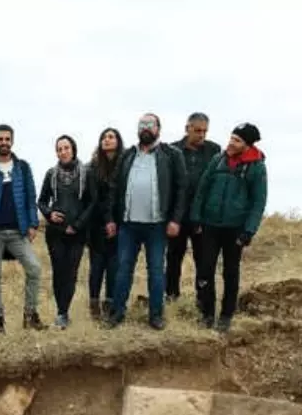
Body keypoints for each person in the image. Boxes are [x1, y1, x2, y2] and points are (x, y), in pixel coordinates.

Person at [107, 113, 189, 330]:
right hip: (128, 224)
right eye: (142, 125)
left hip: (157, 225)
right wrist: (110, 219)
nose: (146, 128)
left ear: (158, 129)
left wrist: (176, 220)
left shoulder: (171, 155)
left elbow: (182, 189)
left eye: (150, 125)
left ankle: (156, 315)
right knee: (123, 268)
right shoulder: (127, 155)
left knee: (155, 269)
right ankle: (117, 313)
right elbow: (114, 188)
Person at [190, 122, 268, 333]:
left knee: (230, 272)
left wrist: (249, 231)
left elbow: (258, 202)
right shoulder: (218, 160)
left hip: (235, 228)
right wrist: (196, 218)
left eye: (237, 140)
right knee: (205, 270)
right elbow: (202, 190)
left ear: (247, 144)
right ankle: (207, 314)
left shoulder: (256, 167)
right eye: (232, 138)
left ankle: (226, 316)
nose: (231, 143)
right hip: (210, 225)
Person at [0, 124, 43, 333]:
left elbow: (31, 198)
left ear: (12, 141)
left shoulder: (23, 168)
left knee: (34, 268)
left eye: (7, 139)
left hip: (18, 231)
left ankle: (30, 315)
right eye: (0, 139)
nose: (4, 142)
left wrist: (33, 224)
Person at [36, 134, 94, 328]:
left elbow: (92, 202)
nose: (63, 152)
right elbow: (42, 201)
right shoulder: (51, 174)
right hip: (55, 233)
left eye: (66, 148)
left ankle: (64, 311)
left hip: (78, 232)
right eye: (59, 149)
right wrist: (49, 214)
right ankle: (62, 313)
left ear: (73, 149)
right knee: (59, 272)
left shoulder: (86, 173)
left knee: (71, 272)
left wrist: (77, 225)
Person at [168, 113, 221, 301]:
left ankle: (203, 300)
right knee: (174, 258)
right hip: (177, 216)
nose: (201, 135)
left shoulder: (214, 150)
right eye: (198, 130)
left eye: (205, 131)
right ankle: (171, 297)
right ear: (187, 128)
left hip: (202, 217)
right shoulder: (172, 150)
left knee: (203, 260)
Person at [86, 127, 123, 320]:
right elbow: (94, 198)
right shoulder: (92, 167)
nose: (107, 140)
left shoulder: (124, 165)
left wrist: (115, 221)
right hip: (96, 224)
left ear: (118, 141)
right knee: (97, 266)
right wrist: (106, 221)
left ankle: (109, 304)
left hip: (120, 223)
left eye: (111, 137)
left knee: (114, 266)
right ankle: (93, 305)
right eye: (104, 137)